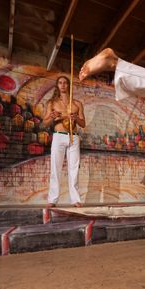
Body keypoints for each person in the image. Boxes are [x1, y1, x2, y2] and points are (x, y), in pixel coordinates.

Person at [43, 76, 86, 208]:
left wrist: (75, 118)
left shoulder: (77, 104)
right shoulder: (52, 103)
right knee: (55, 168)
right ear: (57, 85)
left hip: (74, 137)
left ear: (68, 85)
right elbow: (45, 123)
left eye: (65, 83)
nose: (63, 85)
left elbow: (83, 123)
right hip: (59, 136)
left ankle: (75, 200)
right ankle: (52, 199)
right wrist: (52, 116)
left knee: (74, 169)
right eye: (60, 83)